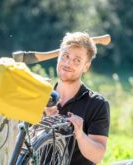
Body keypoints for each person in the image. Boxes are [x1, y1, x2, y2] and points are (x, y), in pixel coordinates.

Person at [44, 32, 110, 165]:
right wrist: (44, 121)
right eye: (65, 56)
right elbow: (23, 147)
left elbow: (97, 156)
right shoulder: (41, 97)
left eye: (77, 60)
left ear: (86, 67)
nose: (68, 63)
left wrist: (79, 134)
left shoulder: (97, 104)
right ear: (58, 57)